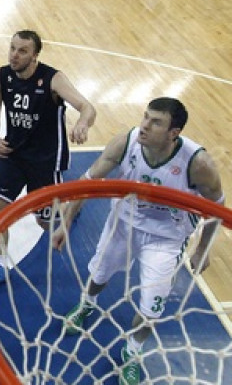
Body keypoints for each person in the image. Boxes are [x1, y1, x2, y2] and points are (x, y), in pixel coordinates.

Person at [52, 97, 224, 385]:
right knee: (99, 273)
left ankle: (132, 351)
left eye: (155, 122)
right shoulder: (127, 142)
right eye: (145, 117)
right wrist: (66, 221)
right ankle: (88, 303)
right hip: (124, 222)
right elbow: (88, 180)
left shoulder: (197, 163)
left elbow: (217, 205)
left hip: (167, 237)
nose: (144, 125)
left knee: (150, 307)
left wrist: (204, 248)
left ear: (174, 133)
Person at [0, 30, 96, 293]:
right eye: (12, 48)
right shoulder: (1, 76)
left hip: (45, 160)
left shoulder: (53, 79)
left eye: (22, 51)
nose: (14, 54)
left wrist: (82, 123)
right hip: (13, 153)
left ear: (35, 55)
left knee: (44, 222)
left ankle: (69, 209)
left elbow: (88, 107)